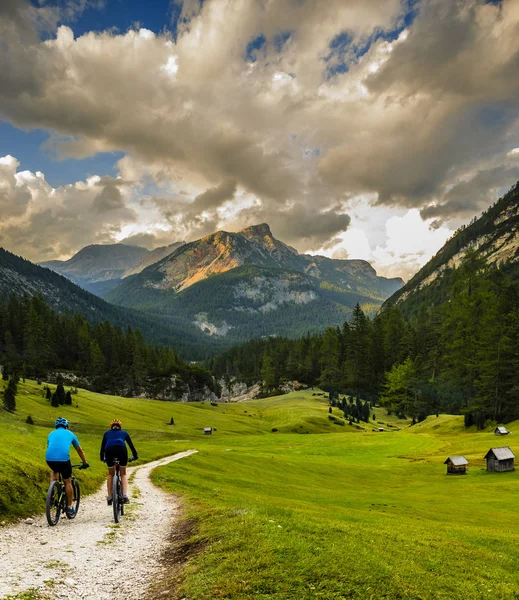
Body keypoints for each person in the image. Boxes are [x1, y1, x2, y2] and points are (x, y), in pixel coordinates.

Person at [46, 417, 89, 518]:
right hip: (64, 459)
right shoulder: (70, 434)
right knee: (67, 481)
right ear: (66, 426)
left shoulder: (51, 434)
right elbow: (79, 450)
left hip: (49, 458)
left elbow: (50, 447)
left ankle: (51, 491)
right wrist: (85, 462)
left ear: (56, 426)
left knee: (54, 470)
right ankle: (69, 507)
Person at [100, 419, 138, 505]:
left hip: (109, 451)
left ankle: (109, 497)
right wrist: (135, 456)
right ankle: (124, 496)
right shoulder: (124, 433)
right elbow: (131, 446)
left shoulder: (106, 433)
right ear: (120, 427)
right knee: (123, 473)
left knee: (110, 474)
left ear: (111, 427)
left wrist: (102, 458)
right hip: (122, 450)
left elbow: (102, 448)